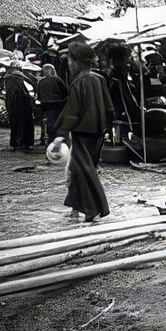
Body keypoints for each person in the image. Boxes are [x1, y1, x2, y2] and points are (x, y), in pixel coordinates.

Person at [51, 40, 115, 222]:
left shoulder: (78, 83)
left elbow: (72, 113)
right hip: (98, 134)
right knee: (80, 169)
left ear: (77, 61)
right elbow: (110, 108)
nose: (69, 64)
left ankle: (94, 210)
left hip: (82, 134)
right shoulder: (100, 78)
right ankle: (75, 209)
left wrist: (60, 134)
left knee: (83, 171)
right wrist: (106, 128)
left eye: (70, 60)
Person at [4, 60, 36, 151]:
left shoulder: (9, 77)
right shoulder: (17, 77)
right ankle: (22, 142)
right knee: (22, 123)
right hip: (20, 103)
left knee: (16, 124)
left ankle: (17, 143)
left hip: (13, 103)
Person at [36, 63, 68, 144]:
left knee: (48, 121)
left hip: (45, 105)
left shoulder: (41, 81)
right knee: (56, 121)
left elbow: (38, 94)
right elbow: (64, 91)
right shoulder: (57, 80)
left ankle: (47, 136)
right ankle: (54, 137)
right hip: (57, 104)